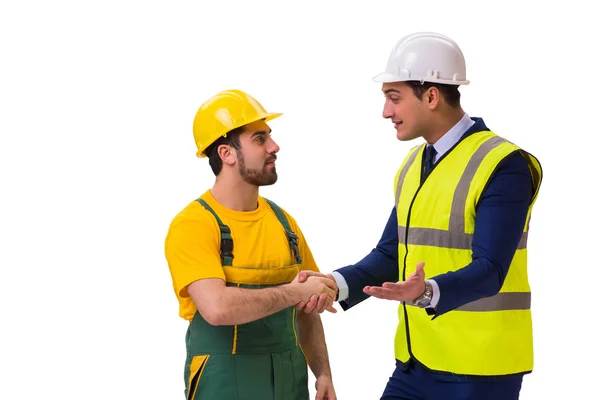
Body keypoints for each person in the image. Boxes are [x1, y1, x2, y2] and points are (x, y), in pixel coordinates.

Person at [299, 32, 543, 399]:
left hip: (479, 372)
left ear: (431, 96)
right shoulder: (414, 164)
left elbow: (491, 269)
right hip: (416, 364)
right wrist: (336, 283)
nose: (386, 111)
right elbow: (390, 253)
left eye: (394, 97)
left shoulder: (503, 165)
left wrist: (427, 292)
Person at [164, 89, 337, 400]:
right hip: (224, 381)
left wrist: (323, 373)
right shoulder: (194, 225)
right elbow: (217, 308)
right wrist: (295, 292)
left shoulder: (284, 224)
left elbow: (309, 308)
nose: (274, 146)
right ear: (227, 153)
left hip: (289, 377)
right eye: (260, 139)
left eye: (269, 136)